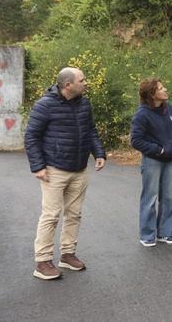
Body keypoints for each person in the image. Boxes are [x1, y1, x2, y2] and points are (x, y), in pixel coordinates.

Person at [25, 67, 106, 280]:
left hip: (79, 169)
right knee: (51, 216)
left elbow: (91, 131)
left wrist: (99, 153)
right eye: (82, 80)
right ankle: (42, 262)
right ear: (68, 85)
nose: (86, 82)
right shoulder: (45, 105)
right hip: (54, 170)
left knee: (74, 214)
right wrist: (38, 166)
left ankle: (67, 255)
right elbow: (31, 137)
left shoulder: (84, 104)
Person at [130, 78, 172, 247]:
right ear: (152, 95)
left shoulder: (168, 108)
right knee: (150, 198)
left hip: (170, 160)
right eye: (161, 88)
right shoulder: (142, 114)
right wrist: (158, 150)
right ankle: (147, 235)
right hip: (153, 160)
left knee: (170, 197)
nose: (165, 89)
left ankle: (166, 233)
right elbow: (136, 140)